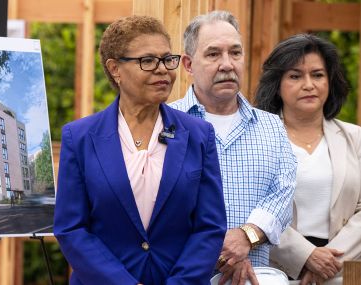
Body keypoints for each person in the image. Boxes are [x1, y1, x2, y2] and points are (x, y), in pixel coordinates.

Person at [54, 15, 226, 285]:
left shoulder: (199, 135)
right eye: (148, 61)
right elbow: (71, 229)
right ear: (115, 69)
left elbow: (210, 227)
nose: (163, 70)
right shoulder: (80, 138)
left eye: (168, 59)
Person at [170, 10, 297, 285]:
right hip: (182, 276)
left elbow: (283, 192)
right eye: (213, 54)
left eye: (235, 53)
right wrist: (216, 247)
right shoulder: (165, 124)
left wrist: (246, 236)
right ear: (189, 64)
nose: (227, 64)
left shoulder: (272, 127)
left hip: (255, 278)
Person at [254, 34, 361, 285]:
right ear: (277, 84)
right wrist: (305, 257)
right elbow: (250, 206)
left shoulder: (355, 138)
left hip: (344, 273)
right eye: (295, 76)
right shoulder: (258, 139)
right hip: (275, 272)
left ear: (330, 81)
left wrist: (327, 263)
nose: (309, 84)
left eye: (317, 74)